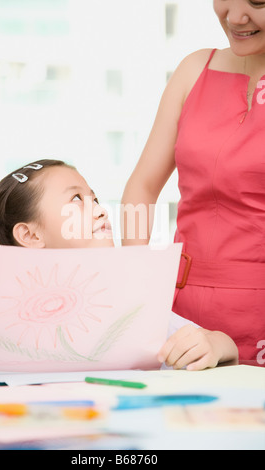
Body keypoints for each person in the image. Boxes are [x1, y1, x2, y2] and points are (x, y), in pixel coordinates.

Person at [0, 159, 238, 370]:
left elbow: (223, 347)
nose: (101, 209)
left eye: (93, 198)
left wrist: (213, 344)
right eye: (76, 199)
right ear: (30, 235)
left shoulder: (130, 298)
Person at [121, 0, 265, 365]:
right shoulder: (194, 69)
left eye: (258, 3)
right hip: (180, 307)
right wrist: (139, 277)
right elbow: (142, 187)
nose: (235, 18)